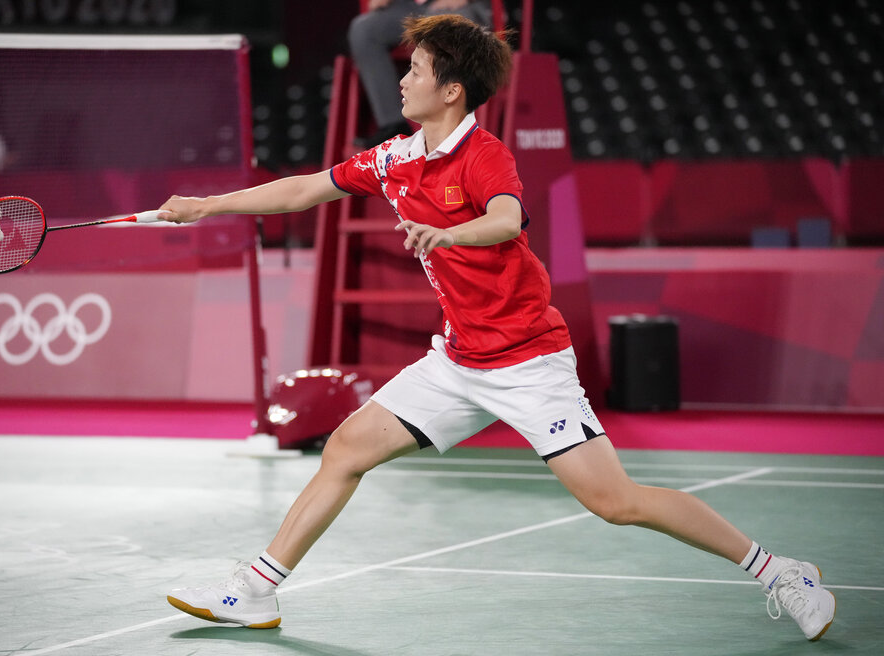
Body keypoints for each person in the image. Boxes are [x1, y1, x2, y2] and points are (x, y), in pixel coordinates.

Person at [159, 15, 836, 642]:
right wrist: (207, 206)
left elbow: (506, 219)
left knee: (617, 502)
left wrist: (449, 234)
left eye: (416, 69)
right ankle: (255, 591)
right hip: (458, 361)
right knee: (346, 449)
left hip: (529, 362)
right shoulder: (394, 158)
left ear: (451, 90)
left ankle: (780, 571)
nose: (402, 80)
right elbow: (305, 189)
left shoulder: (484, 155)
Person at [349, 0, 492, 147]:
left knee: (448, 30)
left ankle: (452, 137)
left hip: (465, 7)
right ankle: (394, 126)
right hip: (413, 7)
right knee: (364, 29)